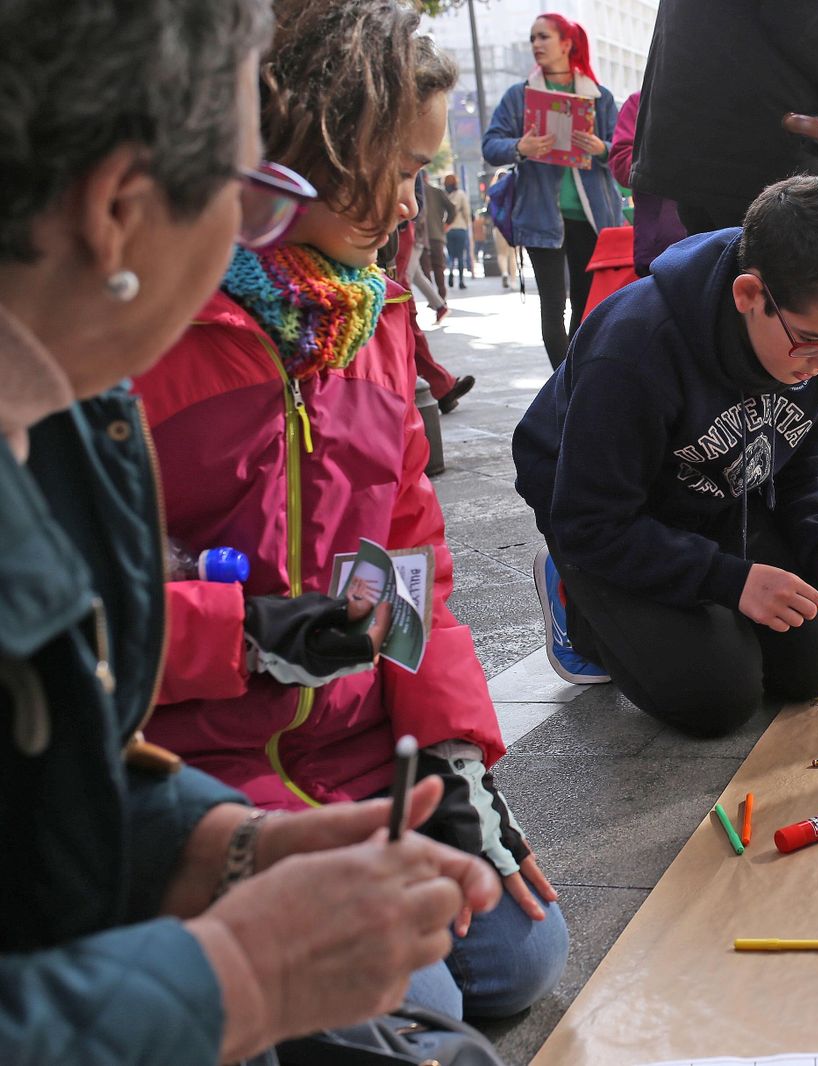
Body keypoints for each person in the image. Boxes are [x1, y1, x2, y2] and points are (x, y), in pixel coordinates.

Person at [0, 1, 501, 1061]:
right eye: (251, 190)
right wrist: (242, 975)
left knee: (501, 952)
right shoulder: (109, 387)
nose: (249, 231)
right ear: (118, 210)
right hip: (229, 748)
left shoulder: (71, 406)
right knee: (427, 1014)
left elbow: (414, 553)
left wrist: (234, 846)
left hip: (337, 760)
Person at [131, 3, 568, 1022]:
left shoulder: (367, 317)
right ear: (319, 149)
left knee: (521, 956)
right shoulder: (158, 328)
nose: (414, 205)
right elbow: (96, 613)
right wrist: (245, 637)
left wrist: (458, 764)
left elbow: (409, 550)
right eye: (403, 169)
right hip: (209, 767)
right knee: (416, 1008)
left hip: (364, 752)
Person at [512, 176, 818, 736]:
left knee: (817, 661)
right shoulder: (633, 349)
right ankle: (578, 600)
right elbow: (592, 520)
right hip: (608, 518)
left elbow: (808, 469)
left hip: (720, 493)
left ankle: (689, 600)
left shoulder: (817, 348)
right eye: (810, 341)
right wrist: (729, 580)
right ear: (748, 295)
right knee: (715, 698)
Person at [631, 0, 818, 235]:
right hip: (756, 142)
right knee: (787, 286)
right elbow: (814, 22)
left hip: (698, 130)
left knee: (720, 281)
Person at [482, 13, 625, 368]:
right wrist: (522, 147)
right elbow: (491, 145)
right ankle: (563, 387)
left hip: (592, 218)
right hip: (539, 216)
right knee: (552, 306)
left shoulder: (600, 97)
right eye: (532, 38)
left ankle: (575, 377)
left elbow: (622, 149)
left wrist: (600, 148)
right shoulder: (519, 96)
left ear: (567, 44)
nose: (536, 45)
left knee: (586, 303)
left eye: (543, 37)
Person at [391, 215, 475, 412]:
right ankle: (440, 386)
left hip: (400, 230)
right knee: (403, 315)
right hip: (396, 232)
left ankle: (441, 386)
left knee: (405, 314)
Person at [610, 91, 686, 276]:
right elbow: (621, 165)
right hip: (659, 249)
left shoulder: (719, 96)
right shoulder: (640, 101)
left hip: (719, 235)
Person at [418, 172, 455, 297]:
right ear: (427, 177)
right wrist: (446, 224)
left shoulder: (414, 193)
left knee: (425, 267)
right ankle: (442, 294)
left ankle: (432, 296)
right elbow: (452, 208)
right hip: (436, 234)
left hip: (420, 236)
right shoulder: (437, 192)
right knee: (439, 265)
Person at [444, 174, 473, 287]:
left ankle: (451, 272)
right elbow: (466, 211)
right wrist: (467, 224)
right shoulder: (461, 194)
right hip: (460, 228)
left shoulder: (445, 195)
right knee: (461, 255)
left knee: (451, 255)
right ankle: (461, 280)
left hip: (448, 229)